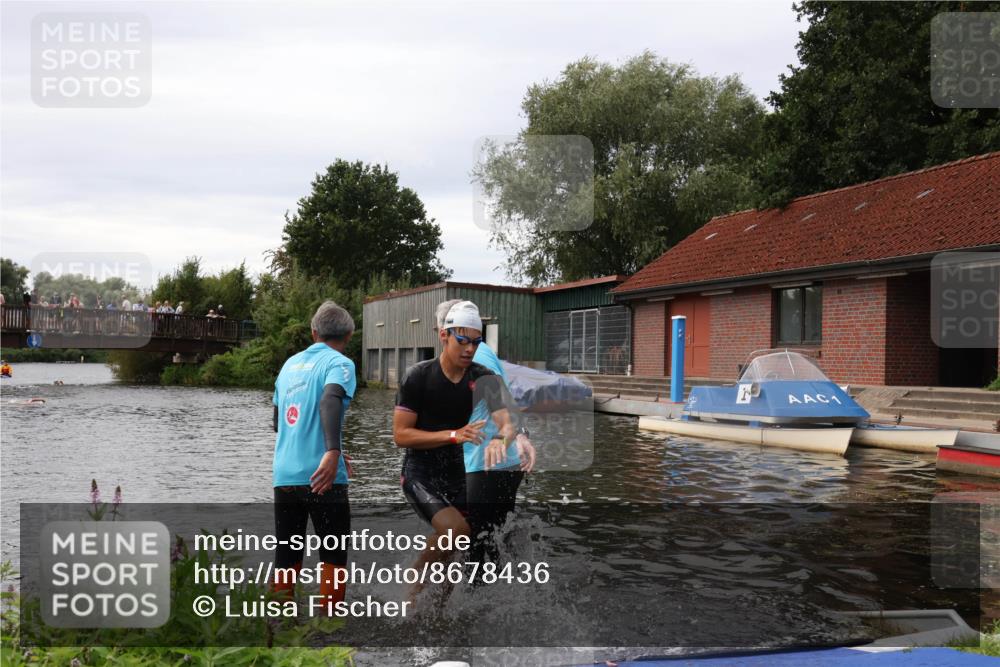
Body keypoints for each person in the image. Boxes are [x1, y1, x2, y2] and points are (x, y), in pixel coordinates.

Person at [393, 300, 516, 601]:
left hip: (456, 475)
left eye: (476, 342)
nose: (469, 349)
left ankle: (439, 611)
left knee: (457, 545)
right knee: (455, 531)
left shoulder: (484, 377)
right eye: (462, 341)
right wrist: (452, 436)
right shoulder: (418, 377)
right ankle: (410, 591)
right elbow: (401, 435)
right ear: (443, 336)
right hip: (420, 474)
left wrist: (502, 440)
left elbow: (508, 423)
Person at [431, 300, 536, 566]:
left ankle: (473, 603)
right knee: (490, 543)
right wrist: (522, 435)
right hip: (501, 462)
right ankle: (498, 600)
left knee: (472, 545)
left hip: (484, 463)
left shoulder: (474, 356)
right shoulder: (483, 352)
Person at [271, 300, 356, 614]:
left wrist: (333, 449)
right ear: (348, 336)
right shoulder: (340, 363)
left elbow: (278, 421)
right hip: (323, 477)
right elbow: (329, 400)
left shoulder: (288, 365)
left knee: (286, 554)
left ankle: (277, 628)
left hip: (284, 474)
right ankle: (329, 628)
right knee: (333, 554)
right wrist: (332, 451)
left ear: (313, 332)